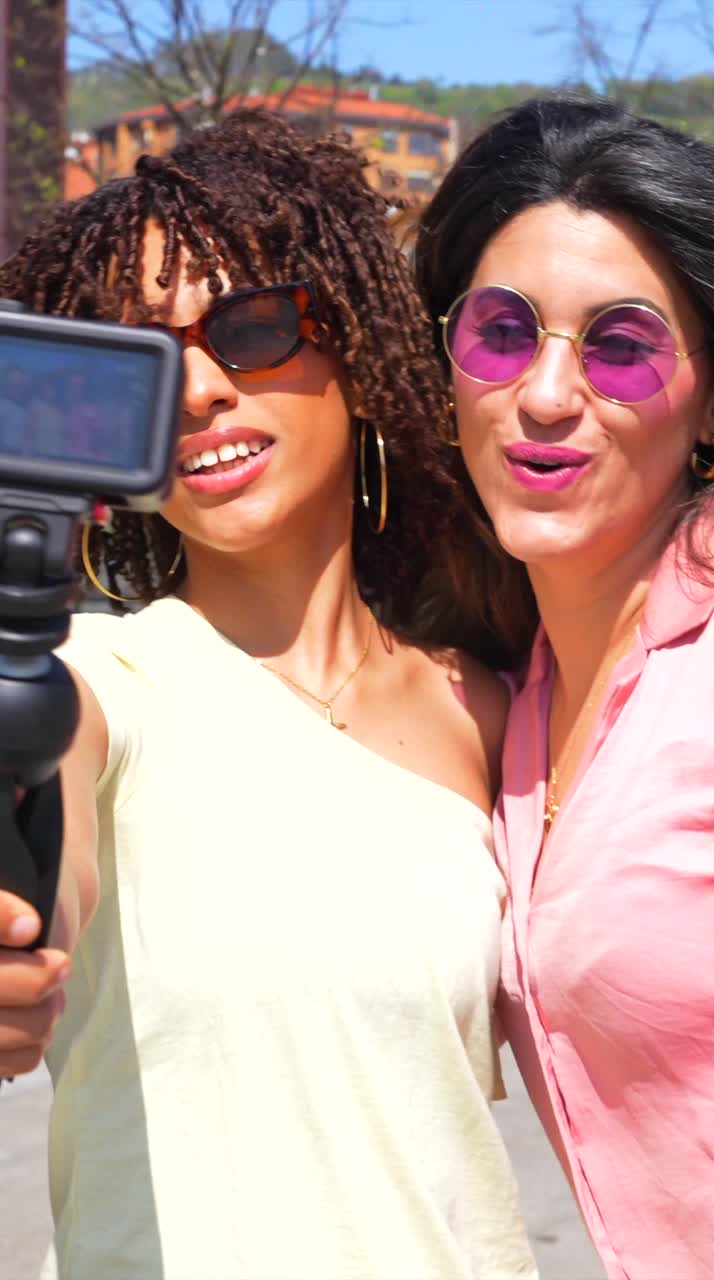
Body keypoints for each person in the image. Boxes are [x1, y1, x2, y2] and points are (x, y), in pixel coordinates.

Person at [0, 109, 537, 1280]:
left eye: (248, 326)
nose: (196, 388)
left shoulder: (492, 711)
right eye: (141, 352)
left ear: (356, 344)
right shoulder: (104, 682)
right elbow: (49, 806)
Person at [416, 94, 714, 1280]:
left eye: (622, 343)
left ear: (709, 403)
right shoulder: (515, 699)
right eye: (502, 331)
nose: (546, 393)